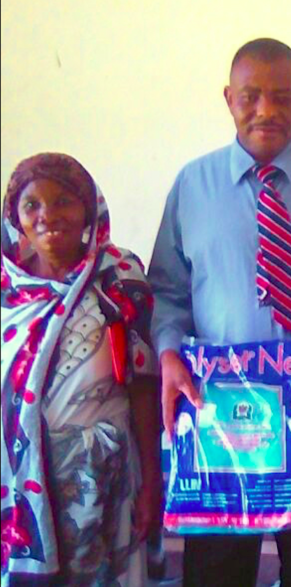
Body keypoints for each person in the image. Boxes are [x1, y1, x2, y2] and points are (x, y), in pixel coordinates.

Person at [147, 38, 291, 587]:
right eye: (250, 96)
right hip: (219, 408)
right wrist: (169, 355)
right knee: (216, 572)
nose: (266, 111)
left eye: (282, 97)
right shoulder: (193, 185)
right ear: (229, 98)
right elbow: (168, 293)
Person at [0, 153, 161, 586]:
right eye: (32, 204)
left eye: (63, 201)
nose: (48, 216)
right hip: (22, 476)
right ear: (15, 216)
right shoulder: (6, 290)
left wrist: (152, 480)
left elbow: (144, 385)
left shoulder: (118, 277)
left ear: (89, 209)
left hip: (105, 474)